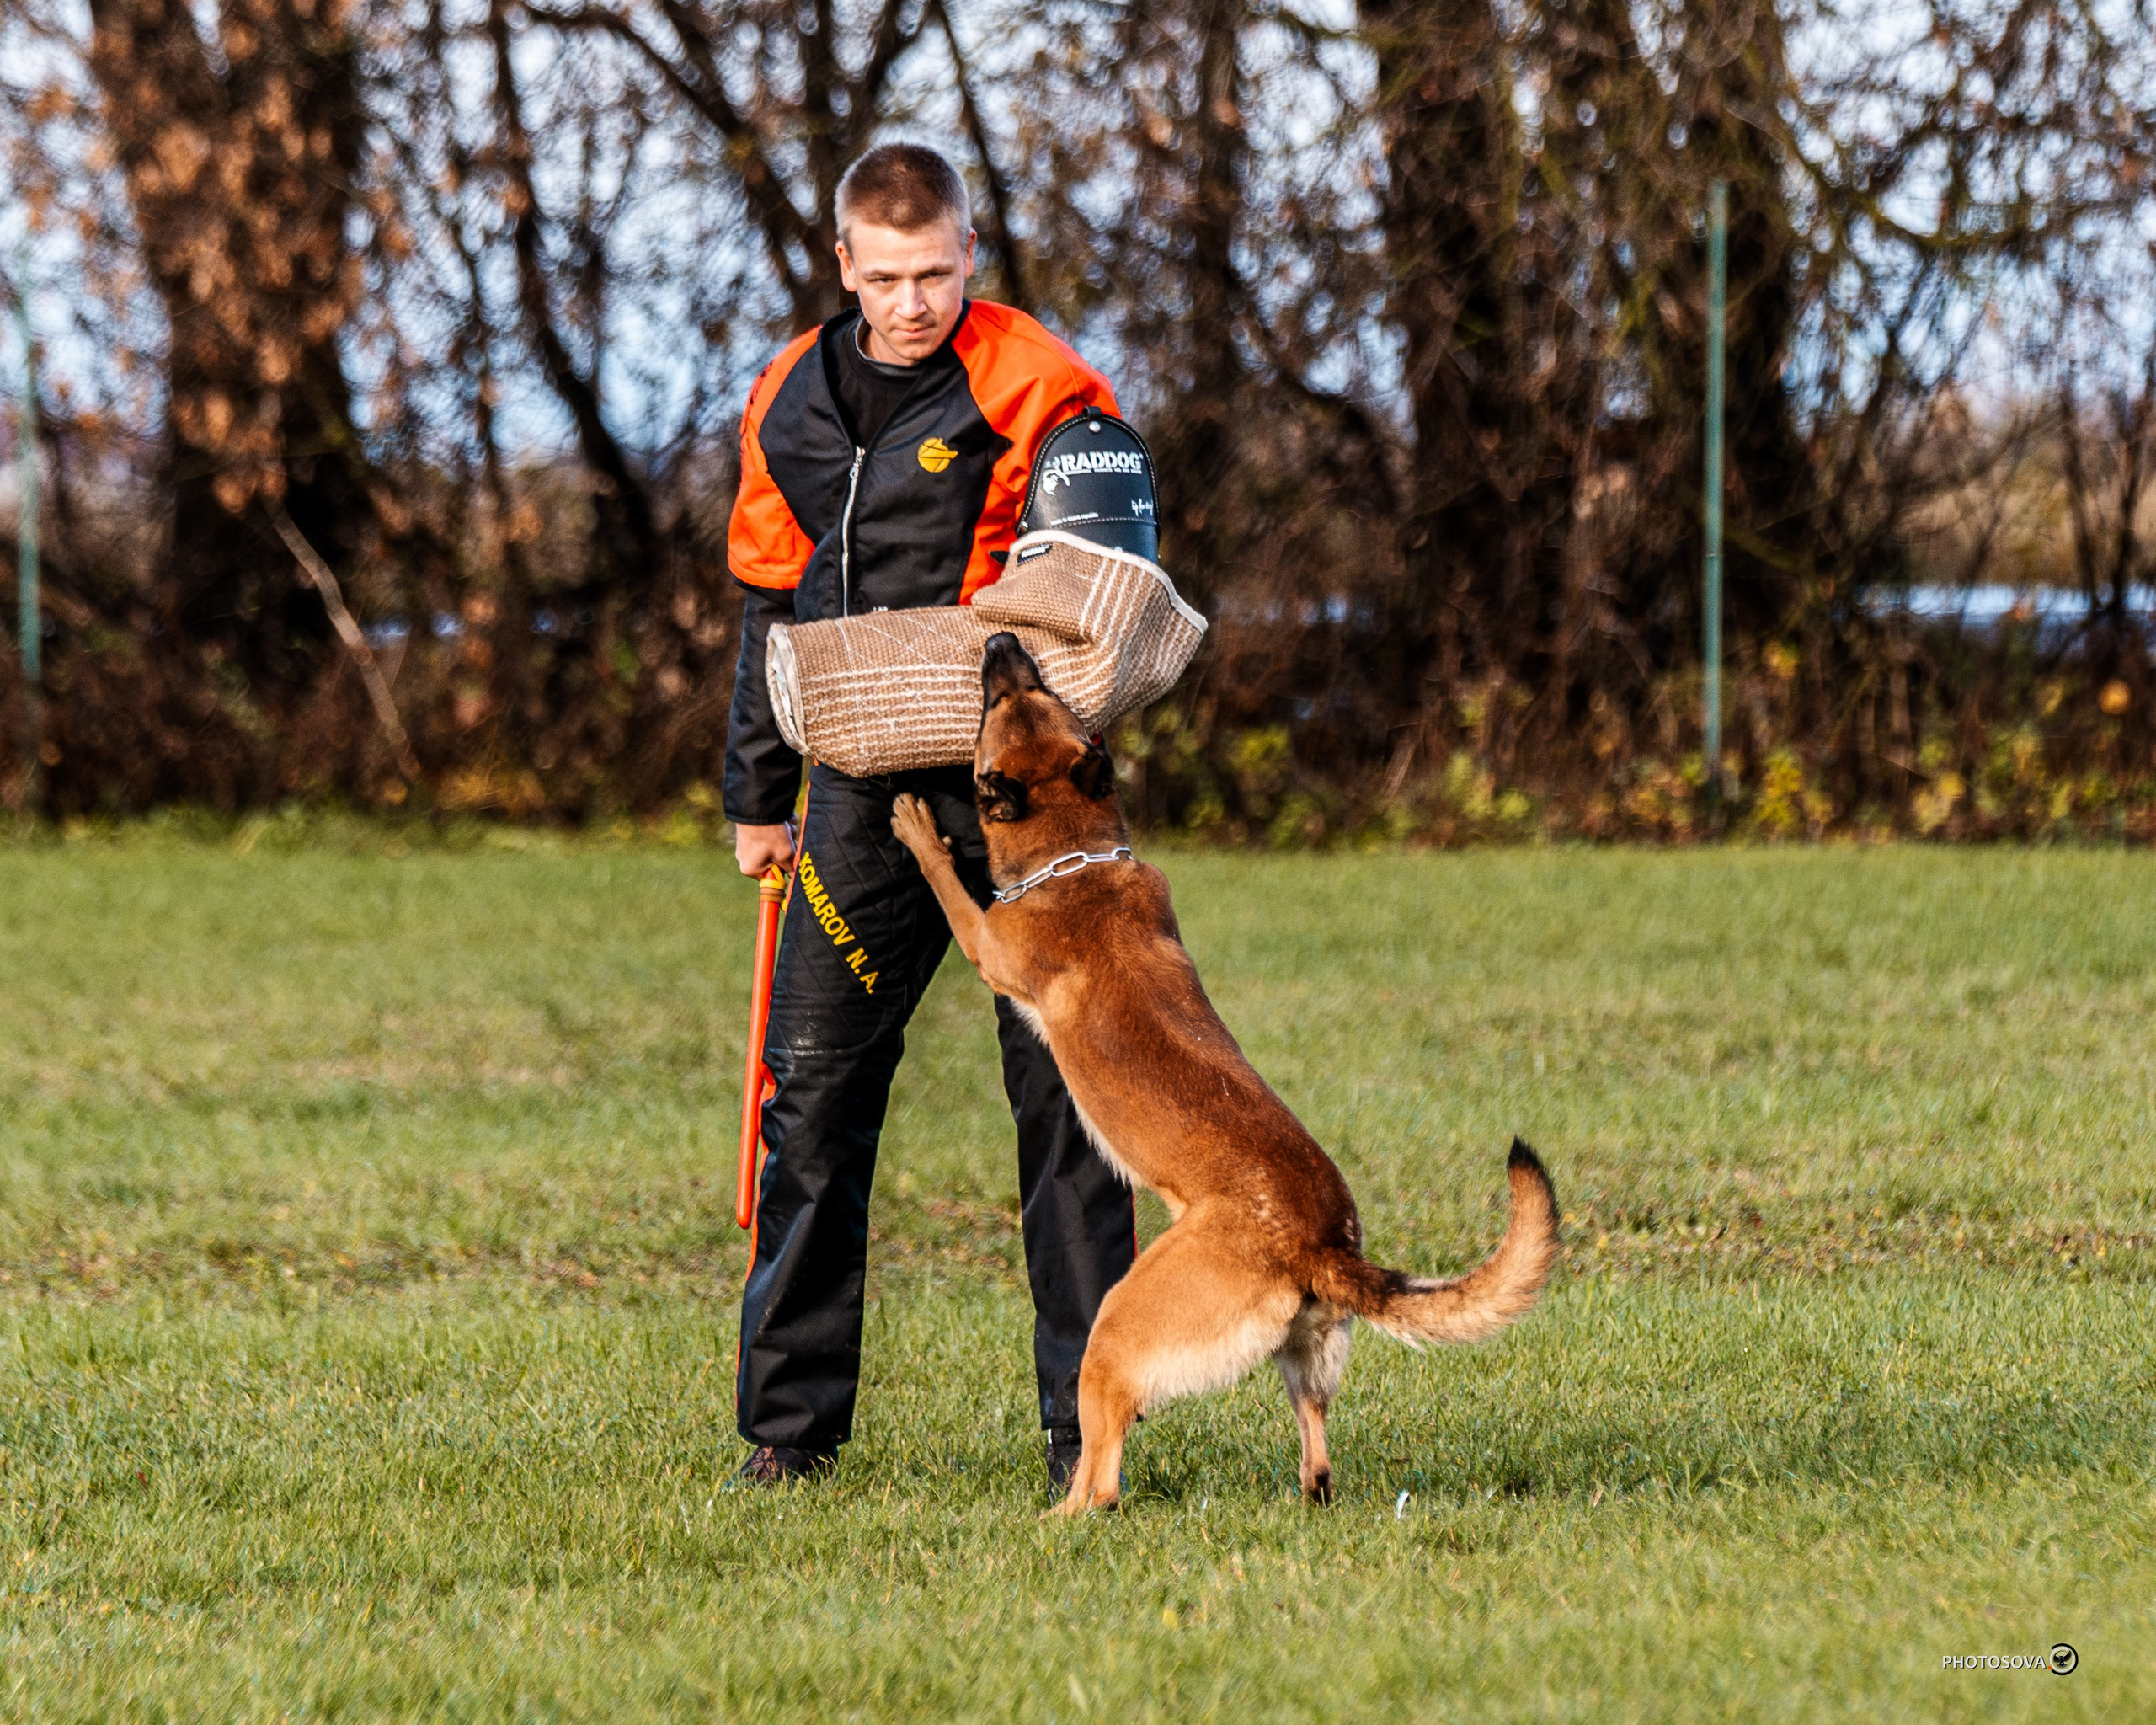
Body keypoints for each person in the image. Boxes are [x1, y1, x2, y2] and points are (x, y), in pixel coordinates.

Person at [723, 142, 1137, 1488]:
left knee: (1074, 1111)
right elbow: (766, 601)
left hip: (1020, 803)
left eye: (939, 274)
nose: (914, 303)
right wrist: (756, 798)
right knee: (817, 1102)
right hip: (853, 799)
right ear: (845, 266)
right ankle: (790, 1437)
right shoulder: (786, 396)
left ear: (971, 257)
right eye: (888, 278)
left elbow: (1104, 570)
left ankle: (1090, 1427)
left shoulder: (1040, 382)